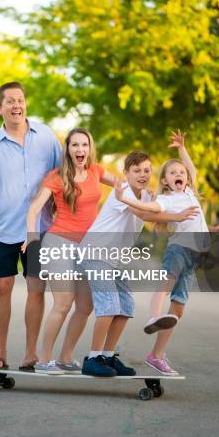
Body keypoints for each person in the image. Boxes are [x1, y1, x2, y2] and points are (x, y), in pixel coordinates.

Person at [114, 130, 219, 375]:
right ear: (165, 181)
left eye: (181, 172)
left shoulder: (190, 194)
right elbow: (149, 207)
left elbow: (196, 219)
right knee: (165, 285)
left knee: (178, 307)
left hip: (194, 258)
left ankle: (156, 355)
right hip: (179, 251)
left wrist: (182, 149)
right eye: (173, 173)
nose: (180, 175)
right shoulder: (168, 199)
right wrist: (126, 199)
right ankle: (152, 317)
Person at [0, 81, 62, 371]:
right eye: (10, 101)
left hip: (40, 229)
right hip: (3, 228)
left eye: (20, 100)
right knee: (3, 287)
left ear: (25, 104)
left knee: (36, 289)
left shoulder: (46, 136)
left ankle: (31, 353)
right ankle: (0, 352)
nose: (16, 105)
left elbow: (62, 177)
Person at [80, 151, 200, 377]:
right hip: (95, 253)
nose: (143, 175)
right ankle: (93, 358)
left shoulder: (147, 196)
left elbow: (155, 208)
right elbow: (143, 215)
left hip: (113, 259)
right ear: (126, 173)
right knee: (109, 304)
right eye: (137, 171)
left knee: (125, 306)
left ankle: (107, 355)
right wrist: (177, 216)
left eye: (147, 170)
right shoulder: (122, 192)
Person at [22, 128, 117, 374]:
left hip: (88, 248)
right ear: (68, 150)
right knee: (63, 304)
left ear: (90, 148)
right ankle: (44, 360)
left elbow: (125, 186)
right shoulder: (56, 177)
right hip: (59, 243)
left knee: (86, 306)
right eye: (75, 145)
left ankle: (65, 357)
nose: (80, 150)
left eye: (84, 145)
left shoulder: (96, 171)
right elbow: (34, 209)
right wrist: (32, 239)